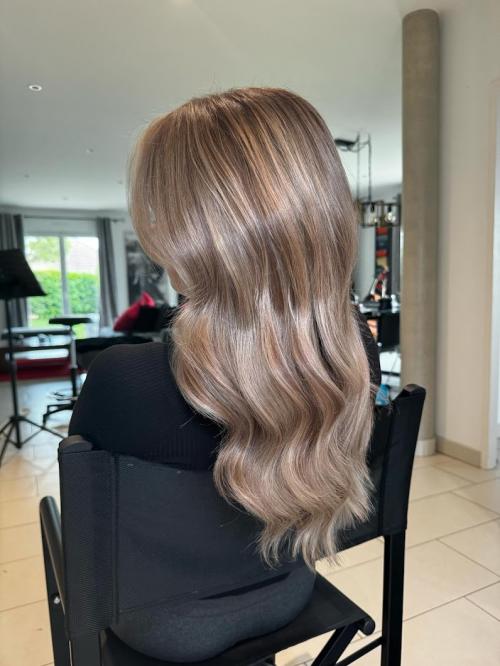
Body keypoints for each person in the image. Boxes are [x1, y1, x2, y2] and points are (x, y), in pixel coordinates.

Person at [69, 87, 381, 663]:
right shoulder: (354, 351)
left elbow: (91, 531)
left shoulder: (122, 380)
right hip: (289, 590)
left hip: (165, 628)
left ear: (188, 231)